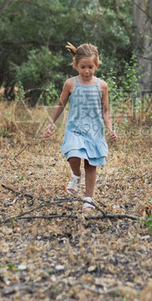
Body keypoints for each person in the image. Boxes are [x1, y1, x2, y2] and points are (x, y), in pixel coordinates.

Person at [44, 42, 117, 210]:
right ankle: (75, 174)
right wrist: (50, 124)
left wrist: (110, 129)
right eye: (83, 67)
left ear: (97, 65)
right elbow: (60, 105)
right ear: (75, 65)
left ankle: (88, 199)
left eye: (90, 67)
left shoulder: (102, 85)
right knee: (74, 155)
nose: (86, 71)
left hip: (94, 130)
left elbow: (106, 111)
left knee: (91, 164)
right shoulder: (70, 84)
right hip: (74, 128)